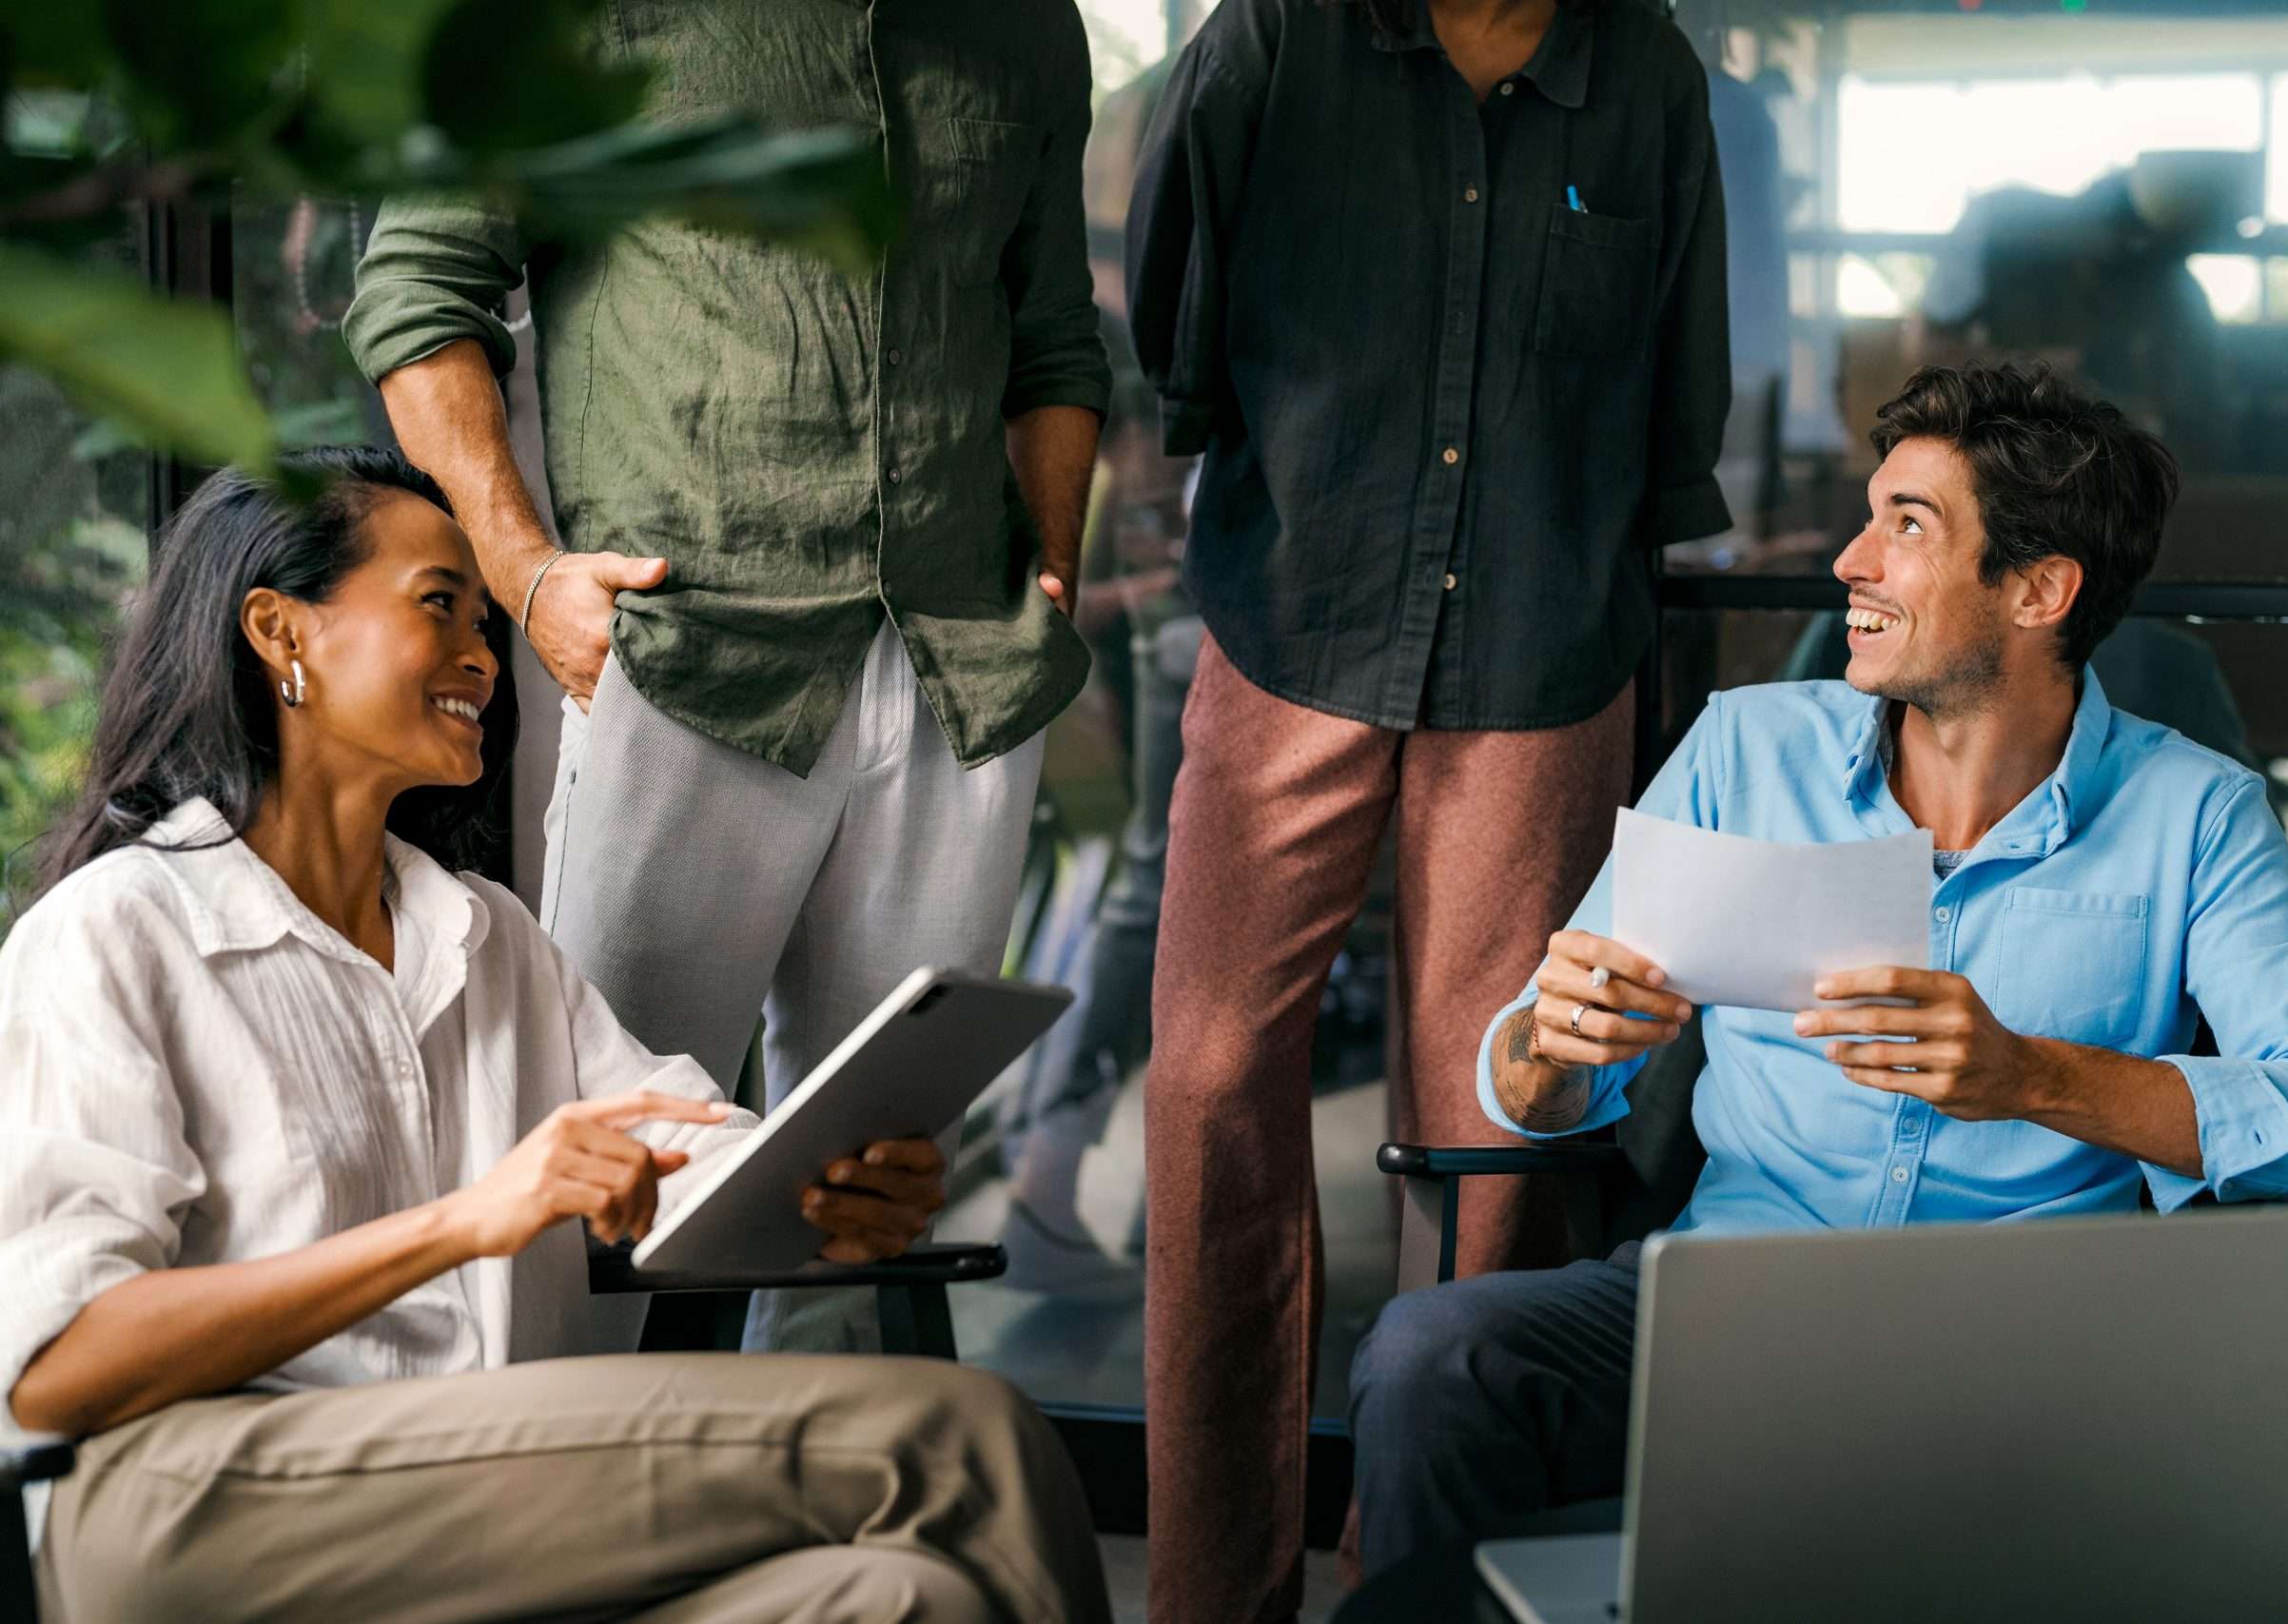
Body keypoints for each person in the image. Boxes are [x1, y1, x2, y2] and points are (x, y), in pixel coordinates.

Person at [0, 450, 1111, 1624]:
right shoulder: (117, 931)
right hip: (188, 1501)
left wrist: (824, 1187)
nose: (485, 656)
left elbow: (682, 1141)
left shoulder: (484, 936)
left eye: (485, 621)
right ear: (281, 632)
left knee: (905, 1597)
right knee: (961, 1437)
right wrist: (463, 1222)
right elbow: (58, 1366)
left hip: (468, 1503)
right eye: (440, 605)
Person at [1345, 362, 2288, 1576]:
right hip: (1730, 1306)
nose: (1850, 561)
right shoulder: (1743, 751)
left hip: (2040, 1343)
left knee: (2275, 1441)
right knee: (1435, 1360)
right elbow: (1534, 1080)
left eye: (1906, 526)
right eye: (1870, 517)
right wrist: (1552, 1046)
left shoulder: (2197, 813)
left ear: (2039, 590)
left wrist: (2031, 1078)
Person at [342, 0, 1112, 1353]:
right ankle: (570, 1481)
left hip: (959, 667)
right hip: (684, 658)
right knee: (608, 1173)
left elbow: (1050, 332)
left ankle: (828, 1476)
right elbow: (417, 290)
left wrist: (1050, 559)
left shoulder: (1026, 24)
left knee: (873, 1192)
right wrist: (526, 576)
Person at [1122, 0, 1731, 1615]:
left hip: (1545, 638)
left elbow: (1682, 362)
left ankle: (1424, 1576)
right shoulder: (1276, 35)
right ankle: (1213, 1587)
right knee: (1208, 1081)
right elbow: (1179, 303)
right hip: (1294, 614)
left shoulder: (1644, 71)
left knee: (1498, 1121)